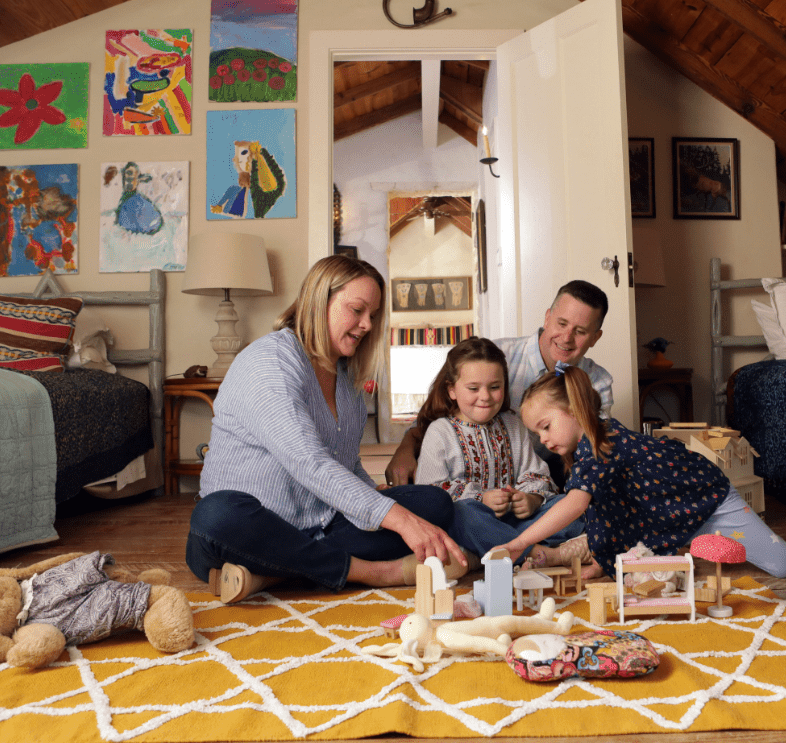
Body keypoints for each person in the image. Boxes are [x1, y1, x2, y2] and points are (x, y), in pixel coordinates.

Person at [186, 255, 468, 603]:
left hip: (320, 527)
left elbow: (347, 465)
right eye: (357, 310)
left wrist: (376, 499)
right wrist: (400, 521)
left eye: (373, 316)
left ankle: (270, 573)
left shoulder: (345, 379)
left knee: (433, 503)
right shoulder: (270, 362)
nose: (366, 325)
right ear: (321, 301)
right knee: (216, 514)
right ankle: (372, 572)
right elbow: (310, 462)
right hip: (250, 528)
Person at [499, 364, 786, 581]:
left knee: (785, 565)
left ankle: (699, 534)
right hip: (669, 512)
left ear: (576, 411)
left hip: (709, 498)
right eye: (537, 433)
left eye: (546, 426)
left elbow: (575, 504)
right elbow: (604, 515)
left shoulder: (601, 445)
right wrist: (605, 563)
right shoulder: (588, 449)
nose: (544, 440)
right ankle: (687, 538)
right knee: (614, 520)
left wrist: (519, 542)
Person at [386, 279, 614, 487]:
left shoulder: (598, 382)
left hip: (545, 473)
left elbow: (593, 451)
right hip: (469, 476)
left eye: (581, 331)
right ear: (547, 318)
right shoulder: (494, 359)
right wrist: (404, 451)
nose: (566, 338)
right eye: (561, 323)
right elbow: (432, 418)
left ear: (595, 337)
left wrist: (535, 495)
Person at [414, 337, 587, 564]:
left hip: (518, 523)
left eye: (495, 387)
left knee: (570, 507)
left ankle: (495, 550)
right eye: (473, 388)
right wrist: (481, 498)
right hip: (473, 525)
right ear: (452, 390)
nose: (485, 396)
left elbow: (535, 473)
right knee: (464, 515)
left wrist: (531, 498)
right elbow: (430, 493)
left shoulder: (513, 424)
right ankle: (540, 554)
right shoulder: (440, 431)